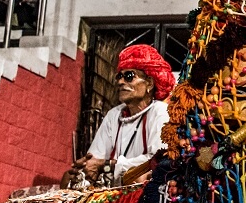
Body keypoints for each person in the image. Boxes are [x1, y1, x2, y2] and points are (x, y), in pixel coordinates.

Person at [62, 44, 174, 188]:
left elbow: (157, 160)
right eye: (119, 76)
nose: (121, 82)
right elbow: (96, 159)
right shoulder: (114, 115)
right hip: (112, 187)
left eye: (129, 76)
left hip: (146, 189)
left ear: (150, 84)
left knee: (141, 178)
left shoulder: (161, 111)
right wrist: (86, 166)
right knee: (67, 178)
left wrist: (107, 165)